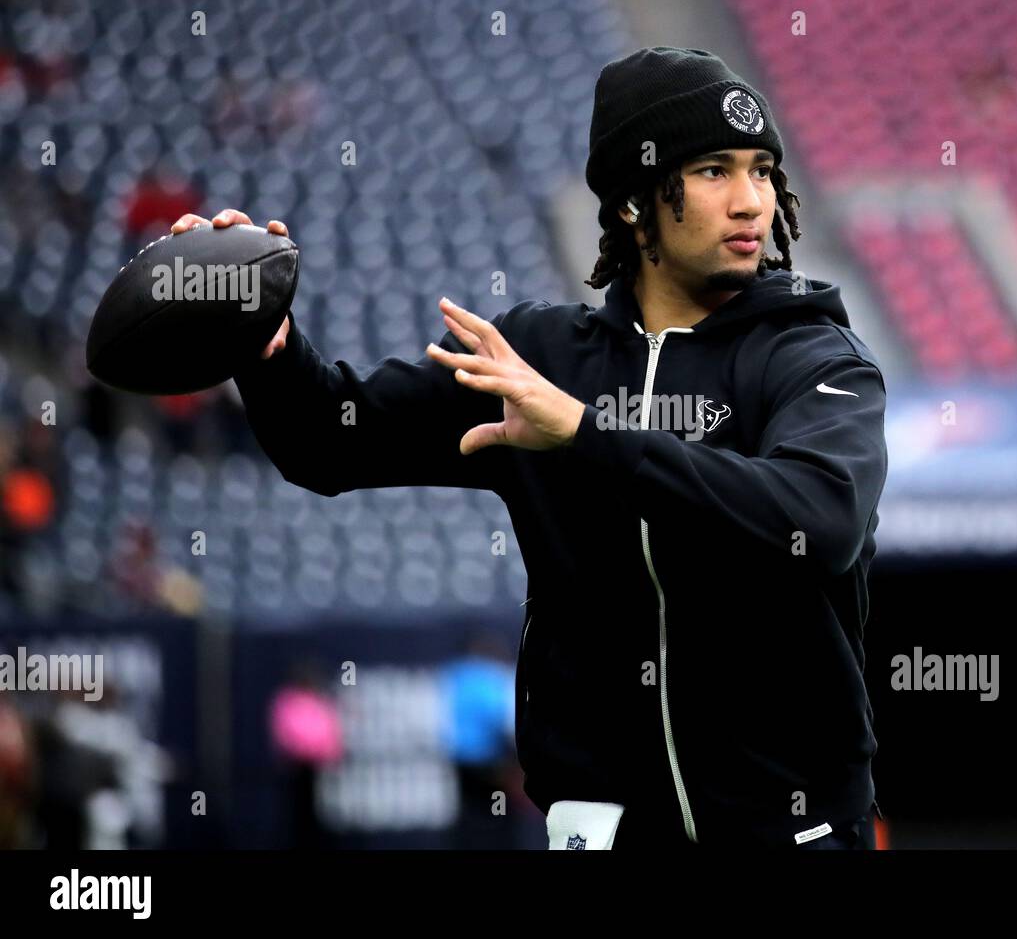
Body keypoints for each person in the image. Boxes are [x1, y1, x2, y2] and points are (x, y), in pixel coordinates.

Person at [171, 46, 888, 850]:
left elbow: (818, 519)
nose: (751, 200)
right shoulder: (538, 357)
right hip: (602, 834)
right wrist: (266, 348)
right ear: (631, 203)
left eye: (762, 171)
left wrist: (585, 434)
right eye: (714, 171)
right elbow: (330, 442)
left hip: (797, 831)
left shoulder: (811, 354)